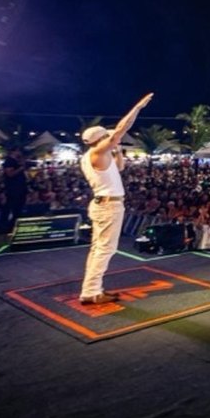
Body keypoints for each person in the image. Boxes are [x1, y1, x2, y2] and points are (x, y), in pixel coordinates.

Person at [77, 92, 154, 305]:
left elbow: (118, 168)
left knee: (98, 249)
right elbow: (120, 130)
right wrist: (137, 107)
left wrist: (118, 152)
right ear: (101, 140)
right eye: (107, 139)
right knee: (105, 249)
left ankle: (91, 289)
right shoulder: (96, 154)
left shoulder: (94, 157)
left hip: (104, 204)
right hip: (108, 206)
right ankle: (91, 292)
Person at [1, 148, 28, 231]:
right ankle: (7, 226)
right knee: (12, 207)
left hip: (20, 188)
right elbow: (10, 174)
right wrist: (21, 168)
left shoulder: (17, 161)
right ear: (14, 151)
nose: (20, 153)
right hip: (13, 189)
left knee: (18, 208)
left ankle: (15, 225)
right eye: (19, 151)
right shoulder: (9, 161)